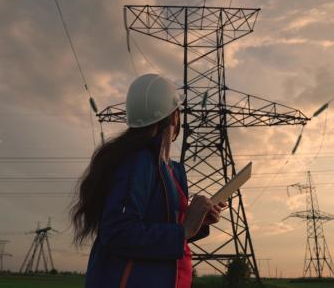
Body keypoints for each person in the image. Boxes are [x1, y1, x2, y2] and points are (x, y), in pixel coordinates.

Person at [71, 73, 226, 288]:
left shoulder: (169, 169)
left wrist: (197, 223)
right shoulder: (137, 163)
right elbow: (118, 233)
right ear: (174, 116)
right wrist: (185, 229)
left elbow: (162, 233)